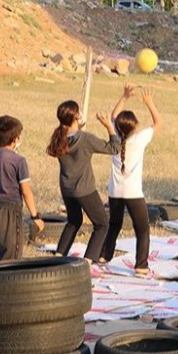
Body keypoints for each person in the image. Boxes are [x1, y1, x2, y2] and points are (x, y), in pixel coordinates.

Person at [97, 84, 163, 276]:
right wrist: (150, 103)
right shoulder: (139, 138)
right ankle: (141, 265)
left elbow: (112, 118)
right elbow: (158, 123)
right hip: (133, 193)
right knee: (142, 229)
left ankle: (104, 256)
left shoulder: (116, 138)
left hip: (114, 191)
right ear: (134, 127)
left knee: (114, 225)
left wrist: (124, 96)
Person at [47, 100, 120, 264]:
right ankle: (87, 262)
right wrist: (109, 126)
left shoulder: (58, 138)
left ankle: (58, 257)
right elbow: (114, 148)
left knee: (73, 221)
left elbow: (72, 137)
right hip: (85, 190)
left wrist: (78, 128)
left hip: (66, 189)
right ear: (76, 117)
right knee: (102, 224)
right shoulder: (85, 139)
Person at [0, 115, 45, 262]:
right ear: (15, 139)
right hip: (10, 210)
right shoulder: (19, 161)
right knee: (11, 257)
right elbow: (25, 191)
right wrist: (35, 216)